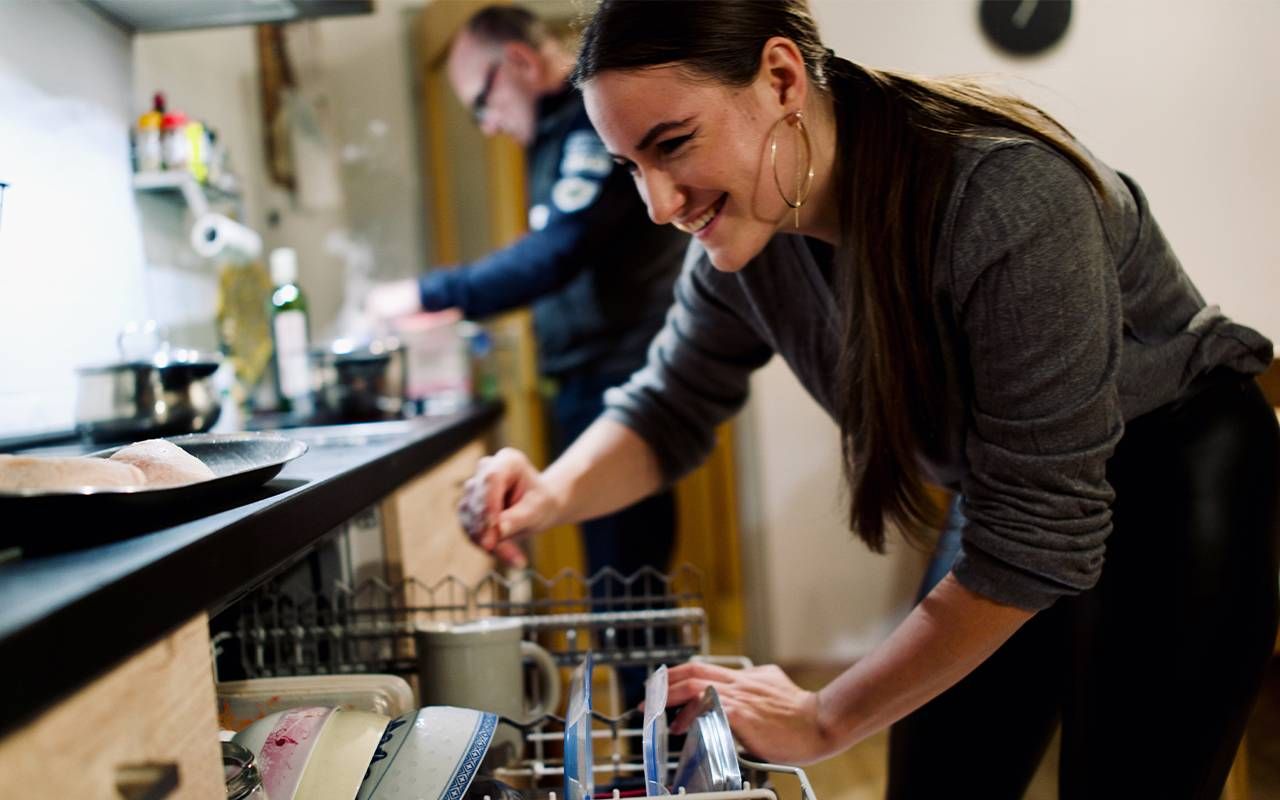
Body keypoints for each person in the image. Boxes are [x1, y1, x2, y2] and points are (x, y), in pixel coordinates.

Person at [456, 1, 1280, 797]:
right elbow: (667, 406)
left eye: (674, 145)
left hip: (1176, 471)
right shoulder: (749, 248)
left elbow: (1040, 533)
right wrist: (550, 493)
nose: (659, 205)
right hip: (1012, 499)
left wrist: (821, 719)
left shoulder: (1004, 194)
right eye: (632, 166)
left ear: (781, 77)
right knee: (942, 774)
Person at [367, 5, 687, 658]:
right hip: (594, 381)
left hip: (621, 385)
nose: (486, 125)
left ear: (516, 61)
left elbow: (554, 253)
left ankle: (662, 759)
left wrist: (430, 293)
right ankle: (654, 754)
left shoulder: (588, 125)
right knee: (621, 597)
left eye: (481, 102)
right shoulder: (555, 137)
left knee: (628, 600)